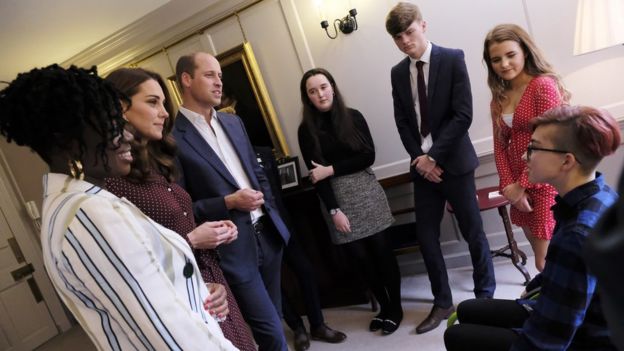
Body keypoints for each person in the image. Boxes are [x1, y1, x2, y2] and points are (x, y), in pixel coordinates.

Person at [0, 65, 236, 350]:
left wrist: (196, 293)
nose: (126, 136)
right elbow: (168, 336)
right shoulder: (90, 214)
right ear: (70, 143)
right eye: (112, 125)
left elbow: (138, 301)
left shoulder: (75, 203)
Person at [444, 105, 621, 350]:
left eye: (533, 147)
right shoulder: (598, 195)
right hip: (572, 314)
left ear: (566, 161)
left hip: (585, 337)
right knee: (467, 308)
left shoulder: (578, 234)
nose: (524, 157)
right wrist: (535, 288)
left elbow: (548, 341)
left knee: (458, 335)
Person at [104, 67, 257, 350]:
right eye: (152, 102)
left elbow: (178, 224)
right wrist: (193, 240)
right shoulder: (114, 184)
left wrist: (211, 234)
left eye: (163, 103)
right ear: (120, 108)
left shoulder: (157, 163)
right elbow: (134, 265)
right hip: (183, 301)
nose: (164, 112)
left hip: (211, 283)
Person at [385, 2, 496, 334]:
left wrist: (434, 157)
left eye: (409, 32)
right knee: (426, 237)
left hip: (456, 164)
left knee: (473, 232)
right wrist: (421, 159)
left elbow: (463, 114)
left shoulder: (452, 58)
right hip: (422, 169)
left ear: (423, 25)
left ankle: (485, 300)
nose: (405, 41)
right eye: (398, 37)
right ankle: (443, 301)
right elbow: (403, 122)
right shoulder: (396, 72)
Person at [172, 52, 291, 351]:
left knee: (276, 318)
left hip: (268, 234)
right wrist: (228, 202)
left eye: (220, 76)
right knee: (271, 332)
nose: (218, 82)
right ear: (187, 79)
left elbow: (256, 172)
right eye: (210, 75)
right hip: (233, 248)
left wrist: (269, 207)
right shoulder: (173, 139)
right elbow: (183, 208)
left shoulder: (233, 122)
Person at [297, 68, 404, 335]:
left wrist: (330, 169)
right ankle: (384, 306)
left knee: (382, 253)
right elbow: (316, 177)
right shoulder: (306, 131)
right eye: (312, 91)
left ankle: (396, 309)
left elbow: (368, 156)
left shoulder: (353, 117)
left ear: (332, 86)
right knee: (361, 259)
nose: (319, 94)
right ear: (307, 97)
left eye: (323, 87)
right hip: (338, 202)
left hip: (366, 193)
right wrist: (334, 210)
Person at [484, 24, 570, 272]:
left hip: (544, 182)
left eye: (510, 55)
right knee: (539, 256)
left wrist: (522, 184)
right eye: (496, 59)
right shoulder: (498, 97)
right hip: (516, 186)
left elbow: (552, 142)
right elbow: (499, 147)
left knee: (545, 262)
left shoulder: (542, 86)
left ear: (524, 51)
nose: (504, 64)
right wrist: (509, 187)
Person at [254, 145, 347, 351]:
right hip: (255, 233)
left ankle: (318, 325)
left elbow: (276, 193)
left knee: (305, 271)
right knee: (274, 283)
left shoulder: (265, 154)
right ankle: (297, 328)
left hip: (281, 223)